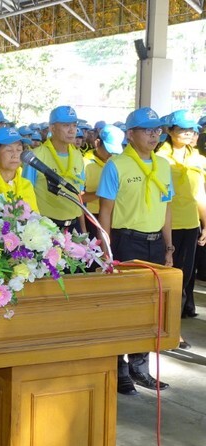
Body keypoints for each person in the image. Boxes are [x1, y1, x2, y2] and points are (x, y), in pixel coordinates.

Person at [97, 106, 173, 396]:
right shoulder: (116, 166)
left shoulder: (162, 166)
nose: (154, 135)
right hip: (127, 242)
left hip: (156, 244)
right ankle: (119, 368)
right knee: (124, 307)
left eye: (157, 130)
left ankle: (140, 366)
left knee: (151, 308)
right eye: (147, 130)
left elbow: (166, 209)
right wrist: (106, 251)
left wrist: (168, 247)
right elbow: (106, 212)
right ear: (130, 134)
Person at [157, 109, 206, 344]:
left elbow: (200, 195)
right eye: (182, 129)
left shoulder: (198, 159)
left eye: (191, 129)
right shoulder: (159, 159)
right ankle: (162, 327)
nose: (188, 133)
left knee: (184, 278)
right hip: (166, 224)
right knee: (166, 278)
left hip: (190, 224)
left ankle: (173, 327)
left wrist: (205, 224)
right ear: (170, 131)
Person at [22, 105, 85, 232]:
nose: (72, 130)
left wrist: (83, 230)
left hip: (73, 226)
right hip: (45, 227)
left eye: (74, 125)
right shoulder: (36, 157)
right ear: (52, 128)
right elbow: (25, 196)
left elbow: (79, 196)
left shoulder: (78, 156)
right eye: (66, 125)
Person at [83, 124, 125, 240]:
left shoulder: (119, 163)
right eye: (108, 150)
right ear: (97, 143)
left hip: (117, 217)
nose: (111, 154)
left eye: (115, 151)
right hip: (92, 217)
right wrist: (103, 192)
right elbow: (78, 198)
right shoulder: (85, 164)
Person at [0, 127, 38, 211]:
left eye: (19, 149)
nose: (15, 155)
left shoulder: (26, 185)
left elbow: (35, 218)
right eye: (9, 150)